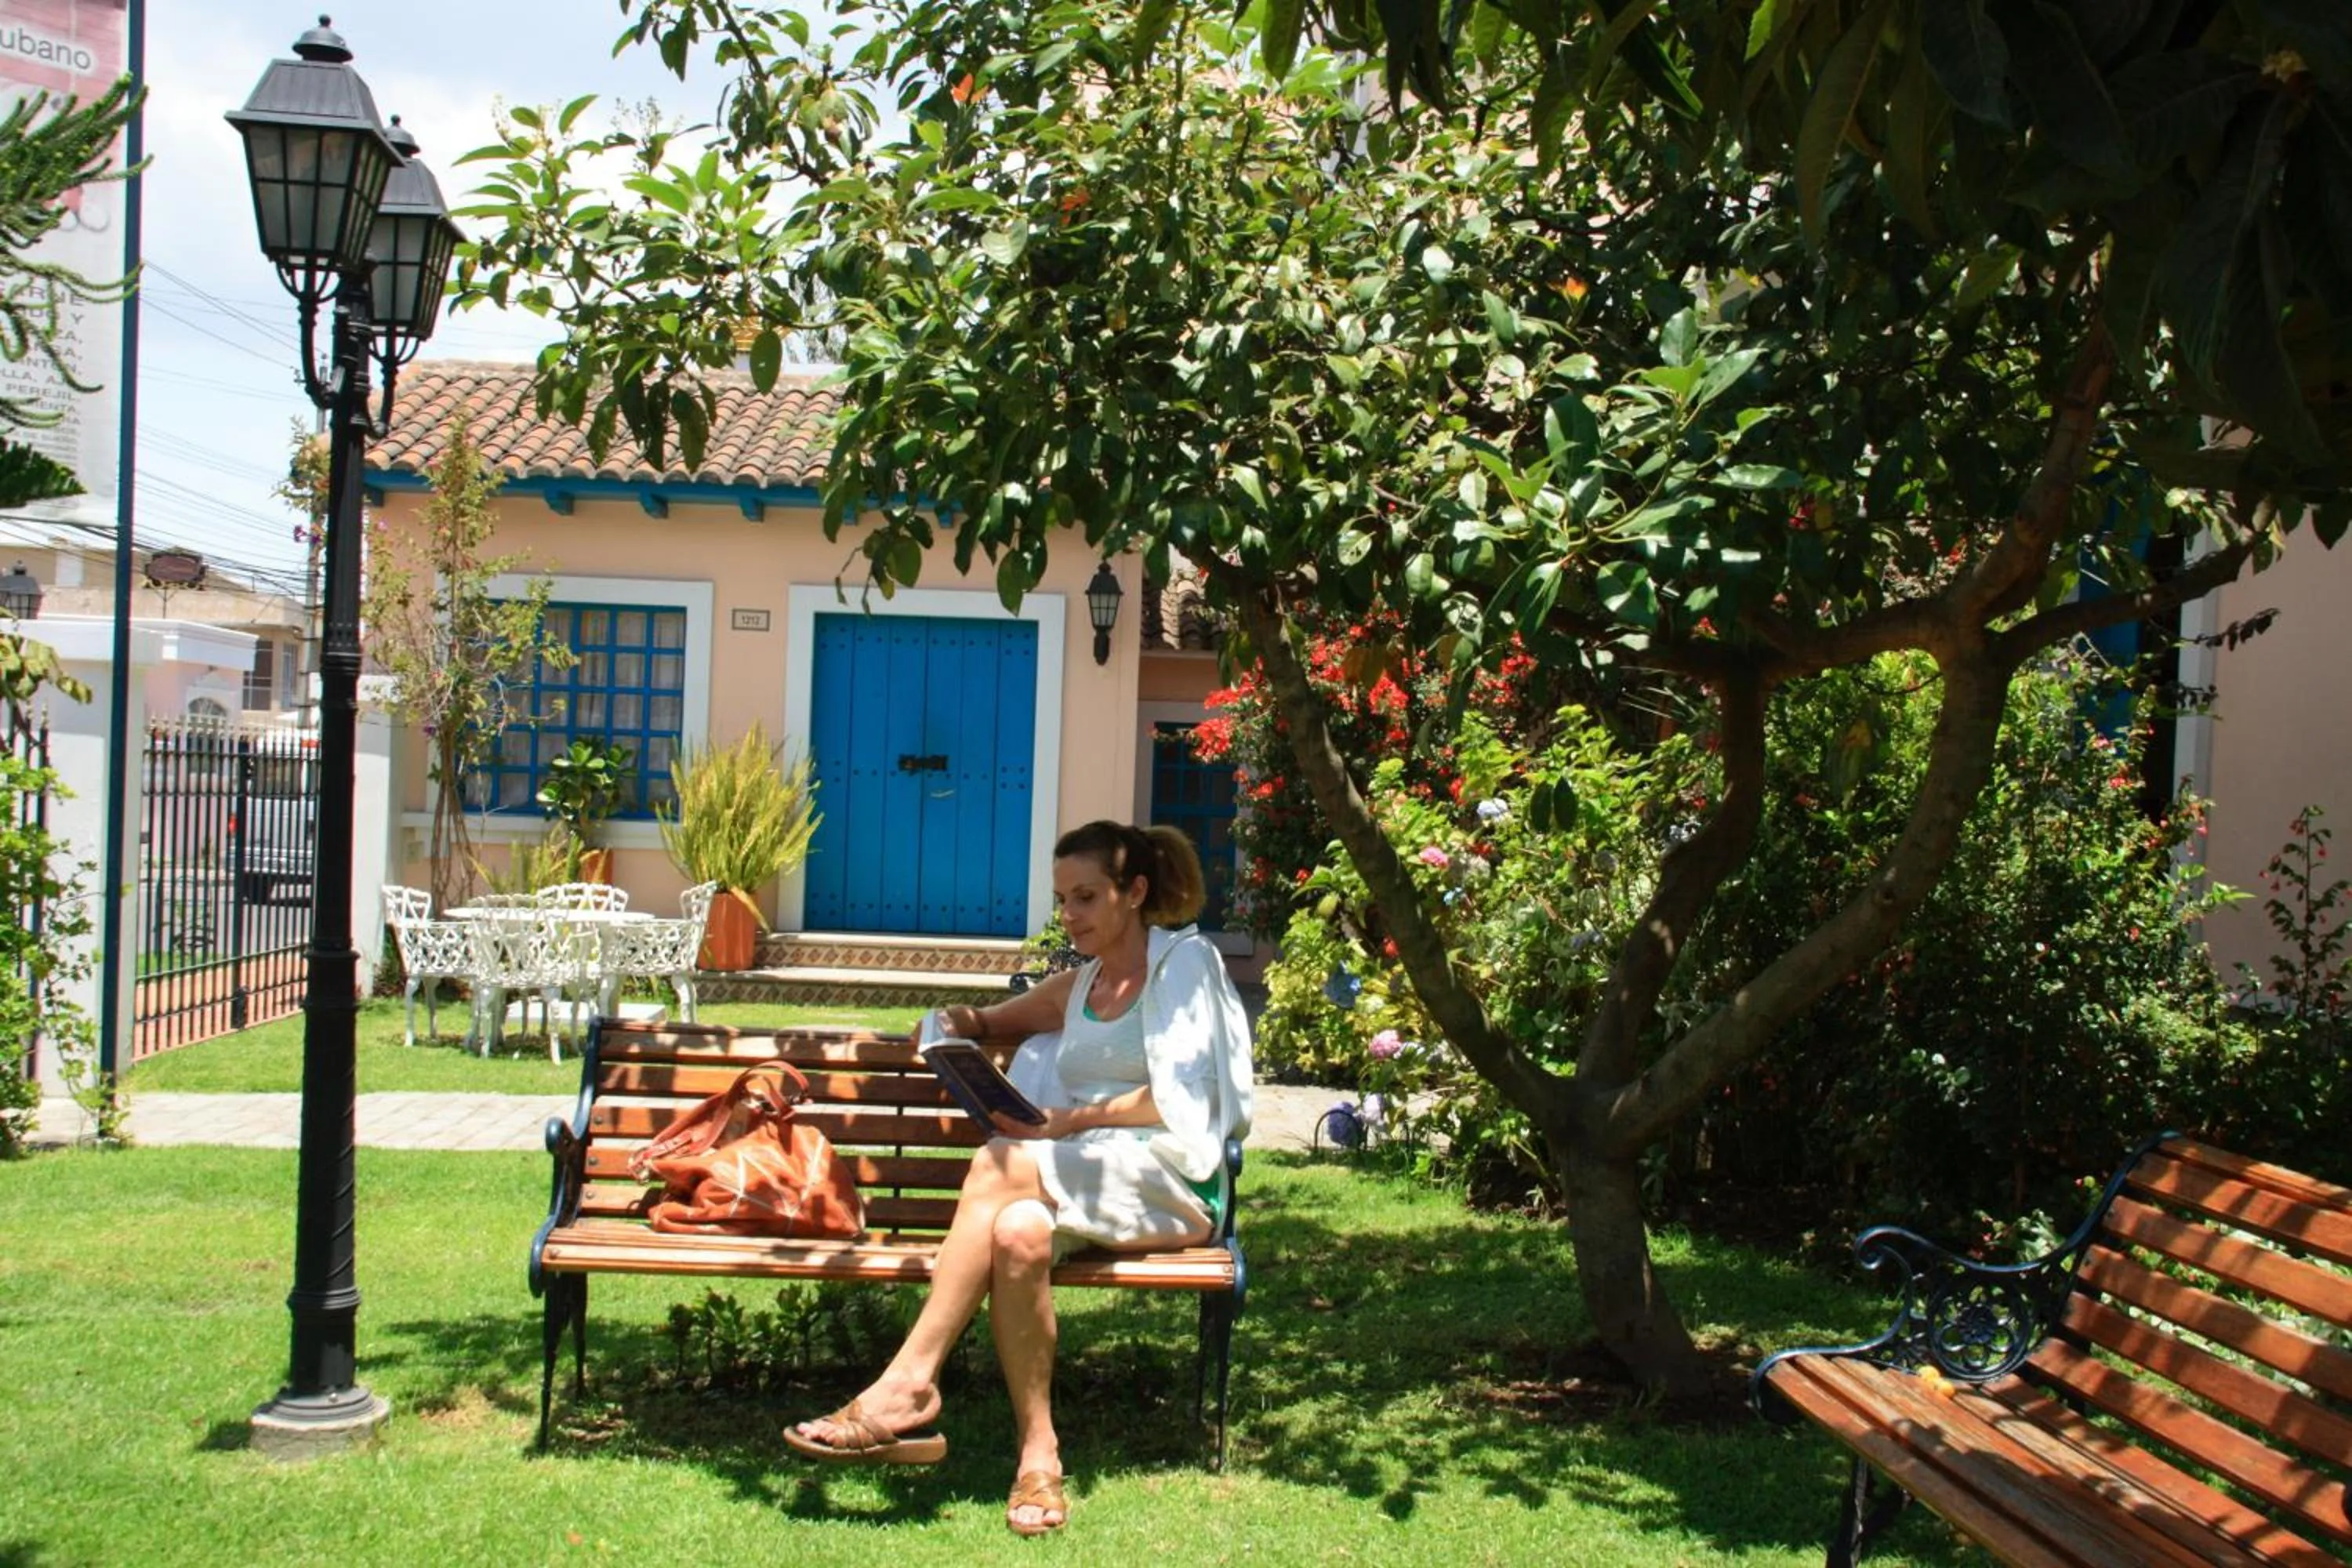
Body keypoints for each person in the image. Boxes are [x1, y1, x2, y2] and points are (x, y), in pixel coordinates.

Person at [783, 820, 1254, 1537]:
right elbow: (990, 1018)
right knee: (1017, 1232)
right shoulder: (1083, 982)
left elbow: (1182, 1099)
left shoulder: (1182, 966)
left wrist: (1064, 1122)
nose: (1070, 915)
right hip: (1086, 1179)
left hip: (1169, 1180)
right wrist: (954, 1021)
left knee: (1000, 1161)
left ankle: (909, 1381)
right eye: (1063, 900)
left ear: (1134, 892)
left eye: (1086, 897)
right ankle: (1039, 1454)